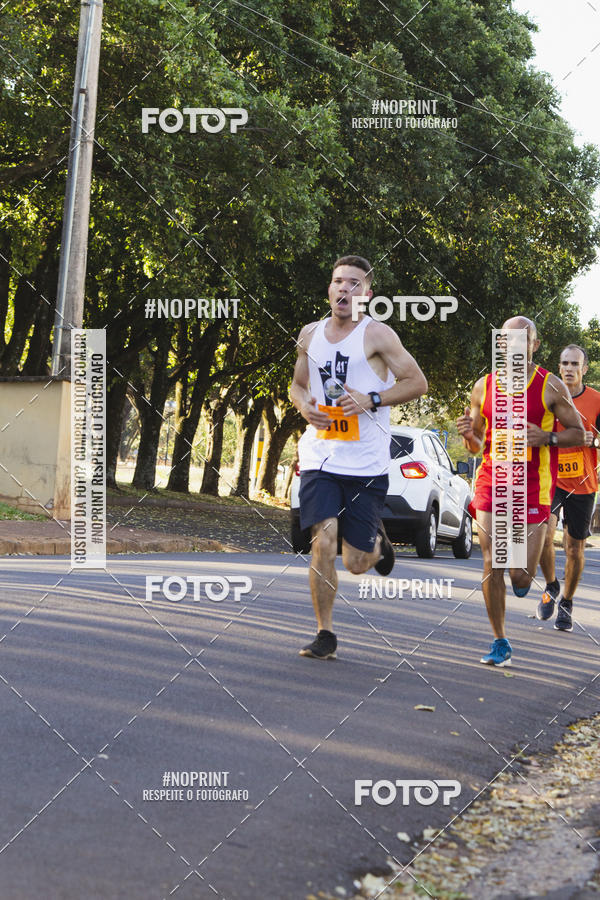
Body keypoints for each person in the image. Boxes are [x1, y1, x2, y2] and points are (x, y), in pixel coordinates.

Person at [289, 255, 428, 659]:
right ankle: (325, 633)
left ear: (367, 294)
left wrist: (372, 398)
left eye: (354, 283)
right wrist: (303, 407)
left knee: (354, 561)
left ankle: (379, 548)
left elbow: (418, 382)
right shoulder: (309, 334)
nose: (344, 289)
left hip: (366, 463)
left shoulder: (378, 336)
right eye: (337, 282)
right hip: (320, 455)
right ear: (329, 289)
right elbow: (297, 385)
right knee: (323, 540)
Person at [456, 317, 584, 667]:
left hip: (532, 488)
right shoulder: (483, 386)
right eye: (506, 339)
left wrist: (547, 437)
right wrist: (468, 434)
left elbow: (580, 433)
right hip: (491, 484)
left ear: (534, 345)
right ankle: (500, 641)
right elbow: (476, 445)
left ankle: (533, 569)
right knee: (492, 562)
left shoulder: (549, 386)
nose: (512, 344)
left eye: (521, 339)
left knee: (520, 577)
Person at [536, 344, 600, 631]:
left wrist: (593, 442)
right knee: (542, 534)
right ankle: (551, 586)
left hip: (583, 483)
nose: (569, 369)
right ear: (558, 367)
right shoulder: (547, 394)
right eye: (565, 363)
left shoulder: (597, 401)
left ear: (584, 369)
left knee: (574, 549)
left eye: (575, 364)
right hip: (548, 478)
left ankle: (567, 602)